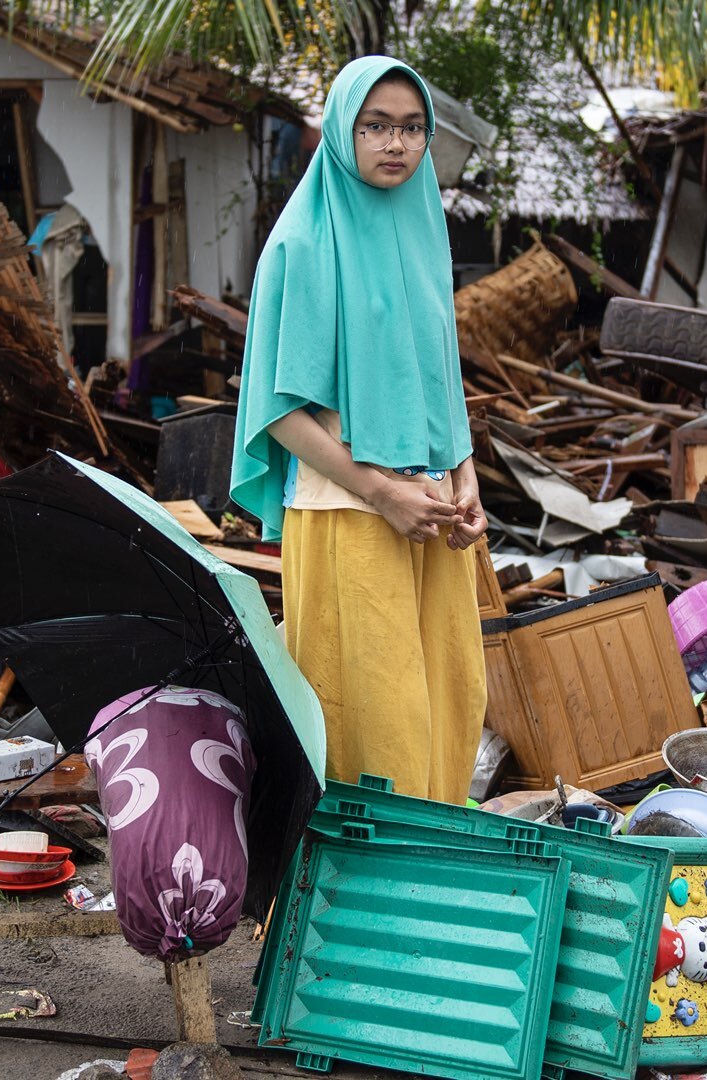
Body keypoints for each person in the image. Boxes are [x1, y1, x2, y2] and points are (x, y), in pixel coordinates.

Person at [230, 56, 486, 803]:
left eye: (411, 128)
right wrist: (383, 492)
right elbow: (277, 411)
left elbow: (439, 371)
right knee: (376, 722)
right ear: (343, 132)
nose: (395, 145)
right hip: (349, 510)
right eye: (375, 126)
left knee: (447, 702)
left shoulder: (423, 227)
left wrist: (464, 481)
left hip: (434, 514)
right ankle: (358, 898)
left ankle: (427, 880)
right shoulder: (302, 243)